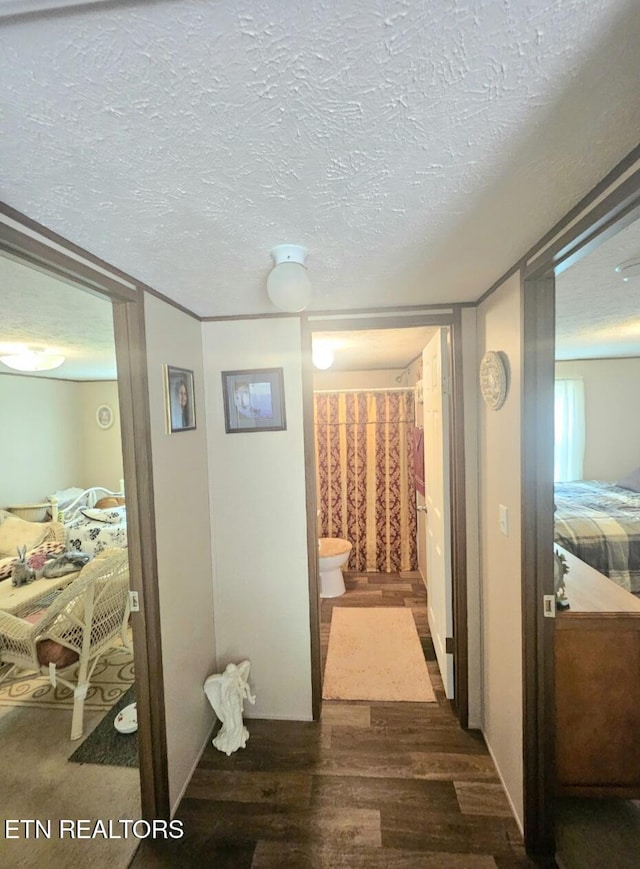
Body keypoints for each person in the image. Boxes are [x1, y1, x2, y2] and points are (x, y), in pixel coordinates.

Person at [203, 661, 256, 755]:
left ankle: (237, 741)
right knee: (231, 725)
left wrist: (246, 690)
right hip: (227, 707)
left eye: (234, 672)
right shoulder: (225, 682)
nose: (233, 675)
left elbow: (242, 694)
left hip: (235, 706)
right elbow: (223, 696)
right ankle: (230, 744)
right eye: (231, 673)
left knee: (238, 724)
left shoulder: (236, 681)